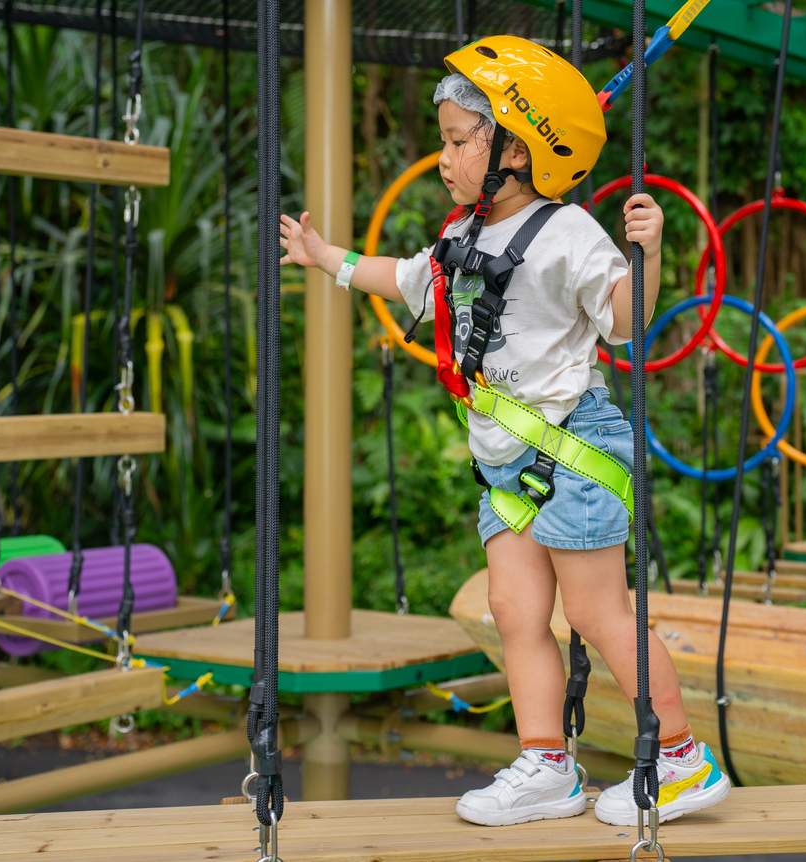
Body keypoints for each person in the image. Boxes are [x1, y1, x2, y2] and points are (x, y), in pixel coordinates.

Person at [280, 35, 729, 828]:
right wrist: (327, 259)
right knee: (515, 614)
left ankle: (684, 760)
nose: (444, 158)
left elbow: (624, 325)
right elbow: (405, 276)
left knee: (596, 614)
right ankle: (547, 766)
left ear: (515, 153)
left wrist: (647, 253)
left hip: (569, 444)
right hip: (503, 459)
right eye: (446, 141)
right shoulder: (463, 237)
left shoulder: (568, 235)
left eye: (457, 142)